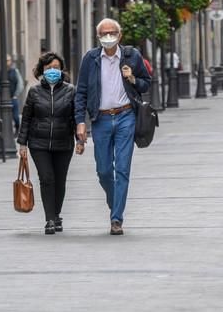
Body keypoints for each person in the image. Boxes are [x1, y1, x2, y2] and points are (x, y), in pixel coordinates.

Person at [75, 18, 152, 236]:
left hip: (126, 115)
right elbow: (80, 93)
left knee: (123, 169)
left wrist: (133, 78)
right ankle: (114, 200)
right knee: (104, 170)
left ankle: (116, 219)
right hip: (100, 120)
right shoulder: (90, 59)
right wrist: (80, 121)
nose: (108, 37)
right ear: (98, 36)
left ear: (120, 35)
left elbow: (147, 83)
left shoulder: (131, 56)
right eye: (104, 33)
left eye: (112, 32)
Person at [17, 52, 81, 235]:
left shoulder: (71, 90)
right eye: (48, 68)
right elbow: (27, 118)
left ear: (61, 69)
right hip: (38, 143)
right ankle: (50, 219)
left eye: (55, 67)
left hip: (63, 143)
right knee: (46, 179)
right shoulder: (34, 92)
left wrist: (80, 140)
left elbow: (77, 117)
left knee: (60, 181)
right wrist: (22, 144)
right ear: (42, 70)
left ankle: (57, 214)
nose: (52, 71)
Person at [0, 54, 24, 132]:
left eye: (8, 60)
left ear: (10, 61)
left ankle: (17, 129)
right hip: (2, 99)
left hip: (13, 98)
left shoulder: (15, 71)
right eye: (5, 61)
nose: (6, 62)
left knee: (15, 117)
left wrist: (15, 95)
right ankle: (5, 132)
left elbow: (20, 84)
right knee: (4, 117)